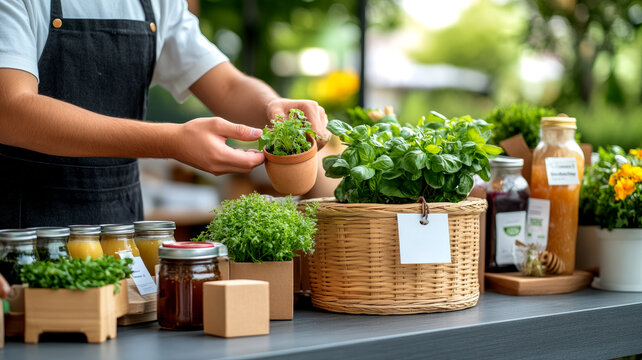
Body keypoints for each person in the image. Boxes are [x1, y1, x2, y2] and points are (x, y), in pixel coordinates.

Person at [0, 0, 330, 228]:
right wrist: (171, 141)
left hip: (122, 228)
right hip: (22, 230)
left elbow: (227, 85)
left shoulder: (159, 3)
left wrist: (271, 106)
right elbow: (11, 110)